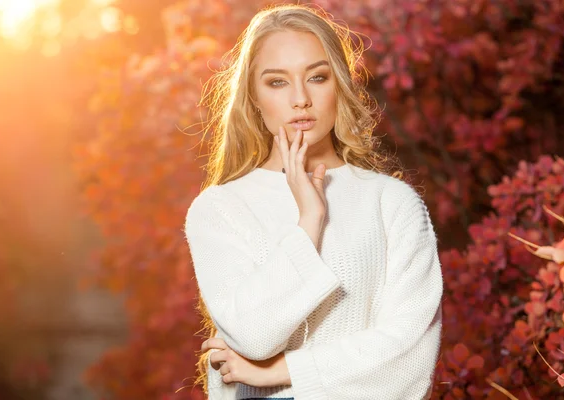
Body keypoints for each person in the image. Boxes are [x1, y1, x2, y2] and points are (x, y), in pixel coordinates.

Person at [183, 4, 443, 400]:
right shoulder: (219, 209)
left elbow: (410, 355)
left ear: (338, 84)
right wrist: (310, 220)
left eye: (317, 77)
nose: (300, 99)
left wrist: (282, 371)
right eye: (277, 82)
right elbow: (252, 335)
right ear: (253, 96)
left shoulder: (392, 204)